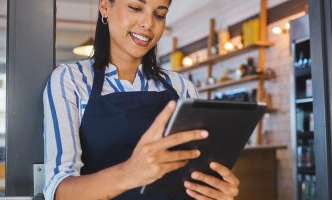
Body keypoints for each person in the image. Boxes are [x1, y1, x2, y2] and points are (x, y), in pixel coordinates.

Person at [43, 0, 240, 199]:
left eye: (159, 14)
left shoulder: (181, 86)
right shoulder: (71, 79)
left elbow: (193, 177)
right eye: (136, 8)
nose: (149, 24)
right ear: (104, 6)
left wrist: (214, 191)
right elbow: (60, 190)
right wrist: (128, 173)